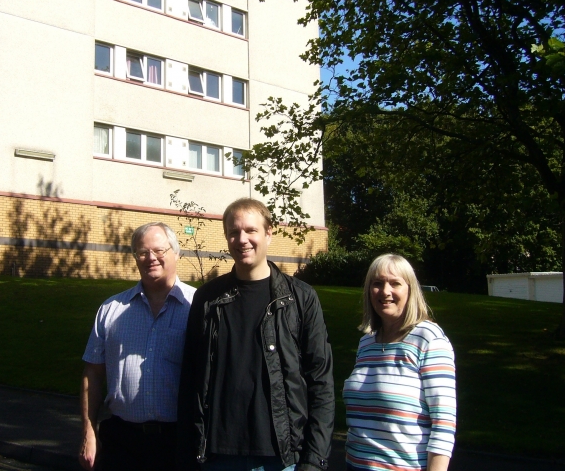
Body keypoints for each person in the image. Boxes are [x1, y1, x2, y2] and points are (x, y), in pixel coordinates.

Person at [178, 198, 335, 471]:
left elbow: (320, 380)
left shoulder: (300, 298)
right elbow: (190, 377)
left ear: (269, 233)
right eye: (233, 232)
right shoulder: (208, 299)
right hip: (218, 455)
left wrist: (314, 458)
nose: (242, 239)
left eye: (251, 230)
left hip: (282, 457)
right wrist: (188, 450)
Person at [79, 222, 196, 471]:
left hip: (180, 442)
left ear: (176, 253)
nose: (150, 258)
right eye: (142, 252)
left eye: (159, 250)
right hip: (122, 442)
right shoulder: (111, 310)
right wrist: (89, 433)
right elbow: (93, 375)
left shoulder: (198, 308)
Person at [343, 254, 456, 471]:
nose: (385, 291)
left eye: (395, 283)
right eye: (377, 284)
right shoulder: (366, 343)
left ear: (410, 290)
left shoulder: (429, 339)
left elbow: (443, 424)